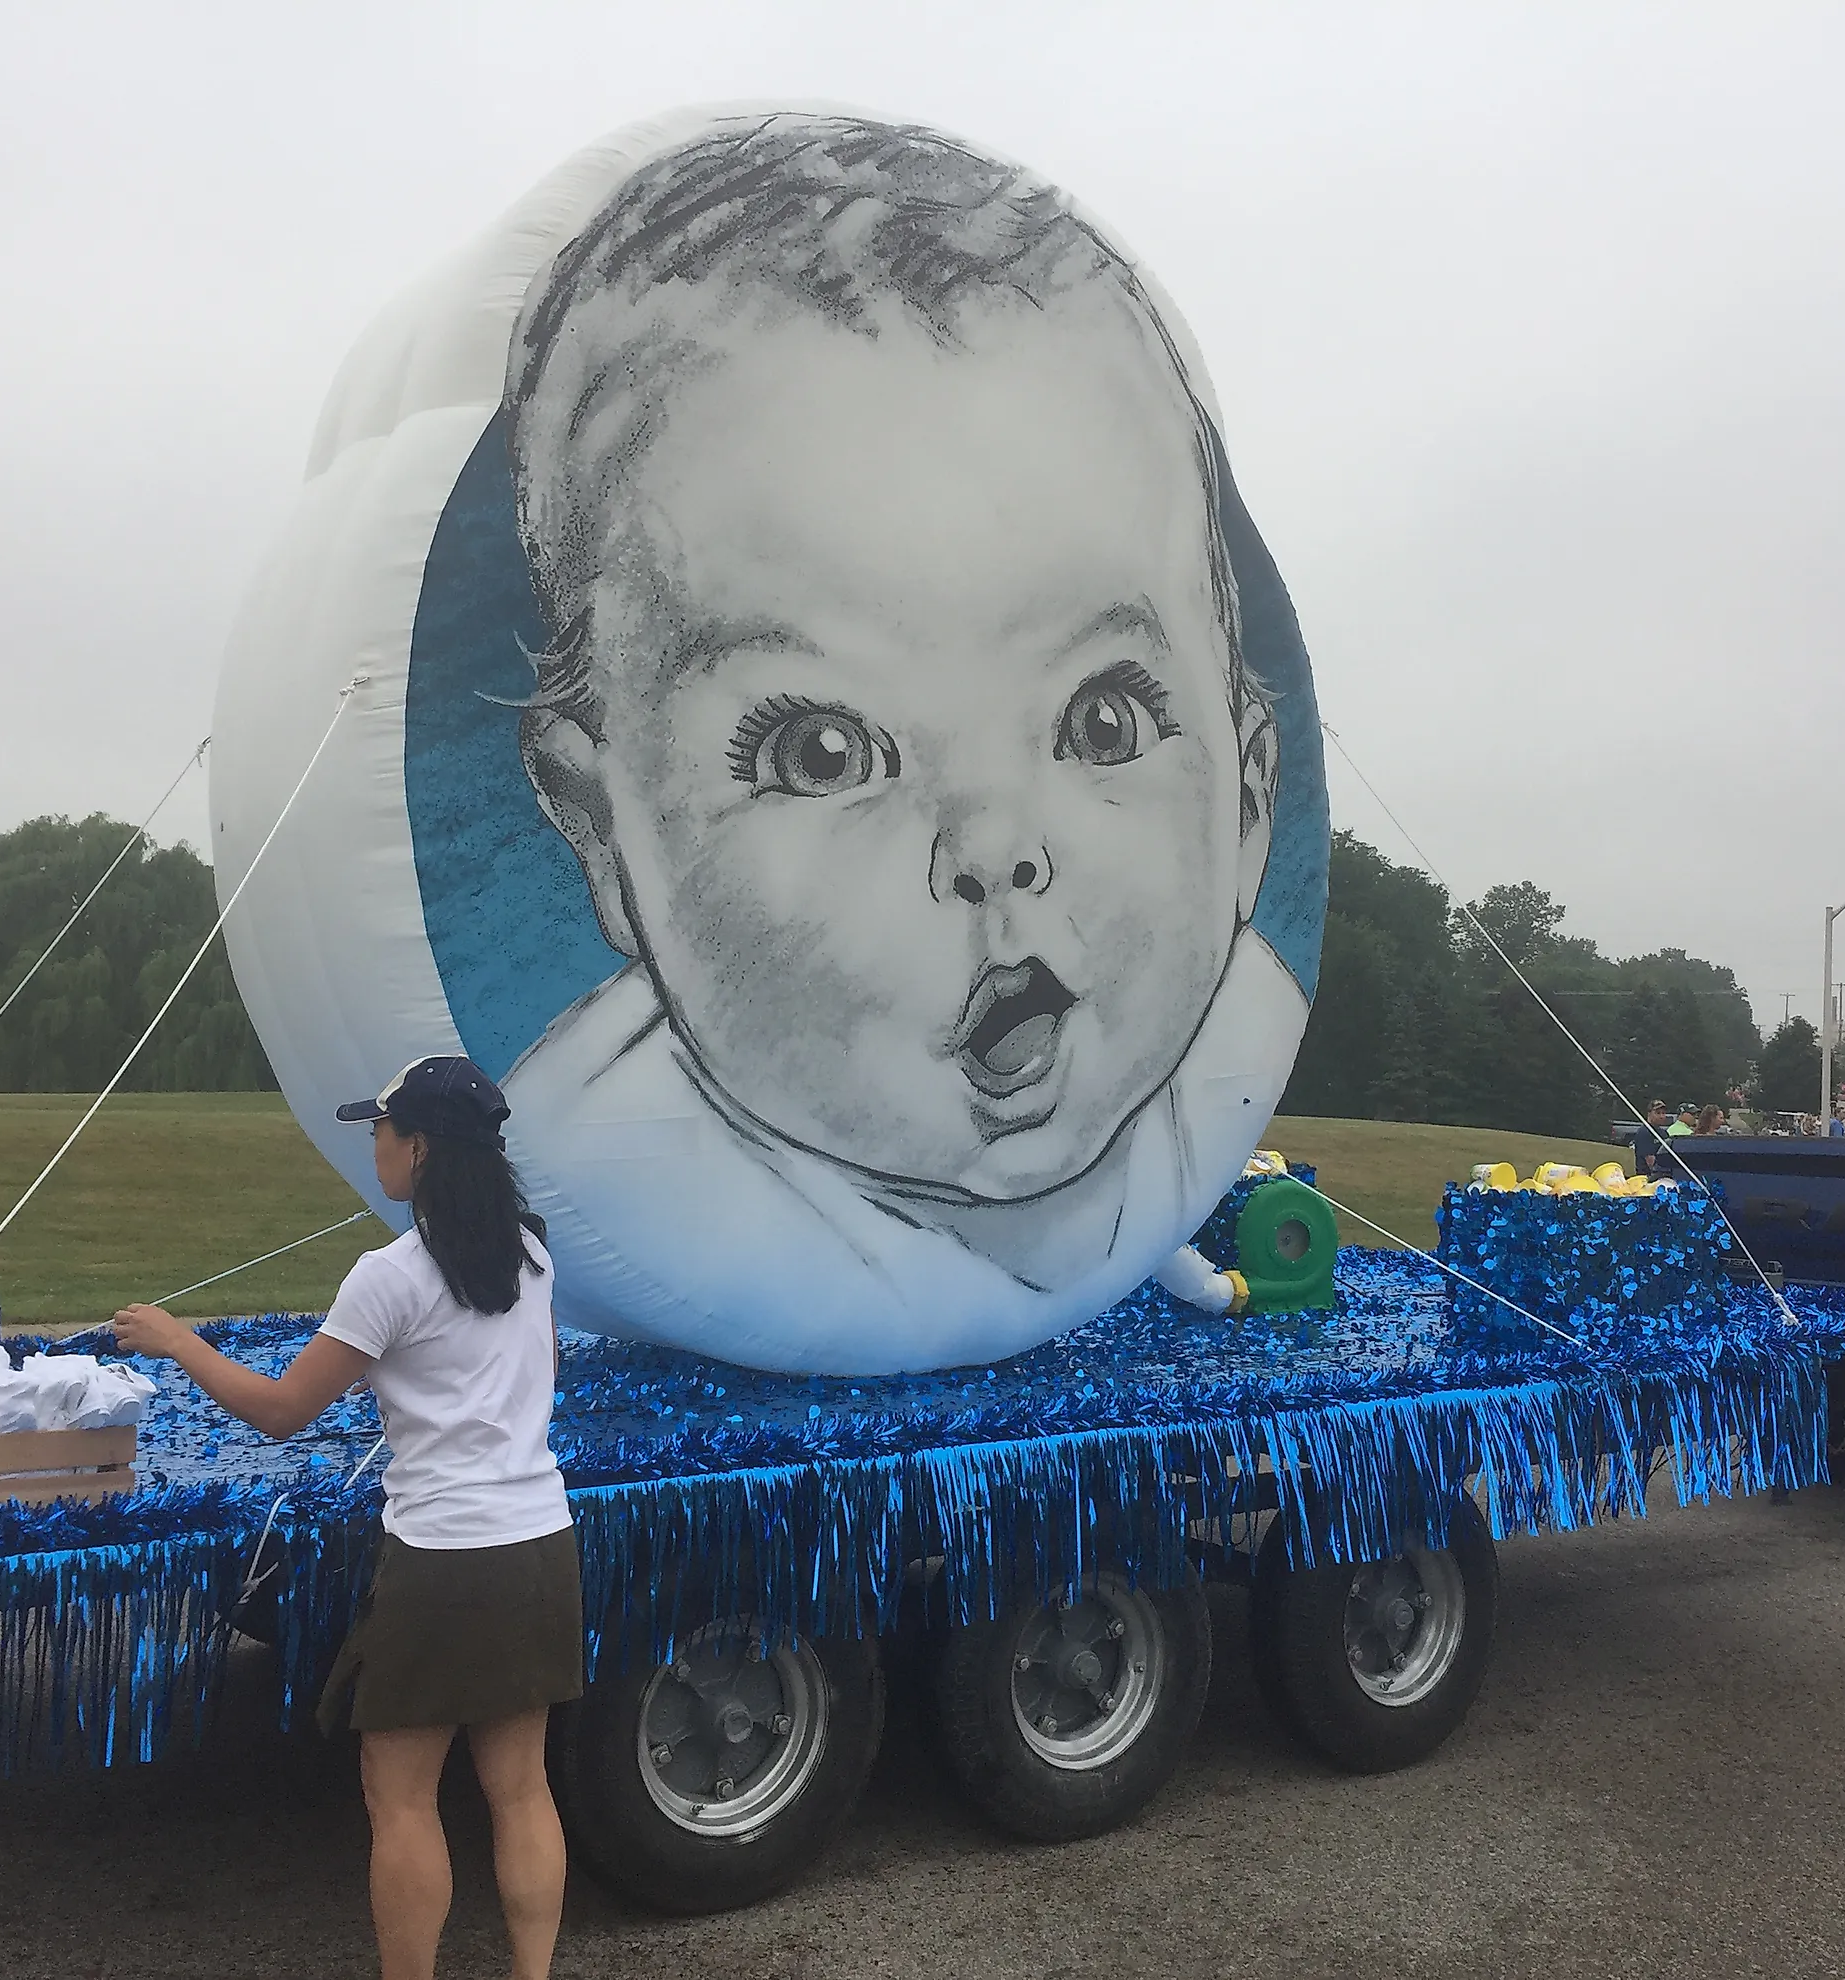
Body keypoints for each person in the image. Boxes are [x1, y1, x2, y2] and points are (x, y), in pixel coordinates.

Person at [492, 114, 1306, 1375]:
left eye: (1101, 721)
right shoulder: (596, 1165)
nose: (994, 848)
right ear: (602, 832)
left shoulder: (1235, 1045)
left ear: (1248, 798)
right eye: (824, 751)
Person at [112, 1056, 576, 1980]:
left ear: (421, 1148)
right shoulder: (532, 1255)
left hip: (444, 1559)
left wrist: (179, 1341)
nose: (374, 1145)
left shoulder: (390, 1274)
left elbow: (284, 1412)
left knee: (399, 1796)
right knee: (521, 1789)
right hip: (538, 1543)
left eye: (381, 1130)